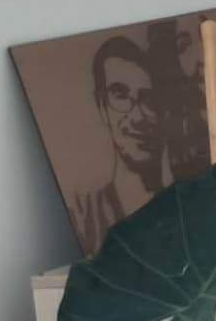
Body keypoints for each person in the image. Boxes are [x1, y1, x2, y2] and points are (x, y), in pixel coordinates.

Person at [67, 34, 169, 255]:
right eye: (120, 95)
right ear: (101, 105)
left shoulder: (186, 207)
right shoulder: (85, 217)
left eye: (148, 99)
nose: (138, 117)